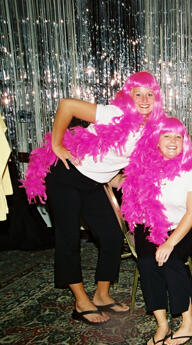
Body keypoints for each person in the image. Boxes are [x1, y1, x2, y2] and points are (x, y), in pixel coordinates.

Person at [22, 72, 165, 325]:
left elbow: (123, 162)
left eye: (150, 94)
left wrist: (119, 179)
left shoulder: (151, 131)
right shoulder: (113, 114)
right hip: (67, 175)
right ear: (128, 96)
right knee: (68, 238)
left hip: (94, 183)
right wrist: (57, 145)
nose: (144, 99)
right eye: (138, 93)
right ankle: (80, 301)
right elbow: (67, 105)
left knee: (111, 235)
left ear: (157, 98)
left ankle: (101, 295)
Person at [120, 117, 192, 345]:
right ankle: (162, 324)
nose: (173, 141)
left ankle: (189, 323)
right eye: (167, 135)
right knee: (147, 261)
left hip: (184, 227)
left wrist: (169, 243)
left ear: (185, 142)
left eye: (178, 136)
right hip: (150, 225)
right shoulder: (145, 167)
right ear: (156, 141)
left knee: (169, 259)